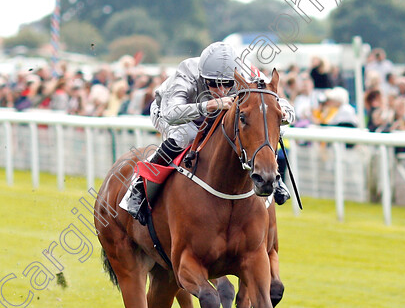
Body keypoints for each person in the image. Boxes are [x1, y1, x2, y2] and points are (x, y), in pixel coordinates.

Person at [120, 42, 297, 220]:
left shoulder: (247, 72)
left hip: (218, 113)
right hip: (168, 111)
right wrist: (209, 105)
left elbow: (282, 105)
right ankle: (138, 190)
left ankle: (275, 177)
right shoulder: (187, 71)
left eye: (228, 84)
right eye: (213, 84)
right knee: (185, 136)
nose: (221, 90)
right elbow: (170, 114)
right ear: (203, 77)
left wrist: (282, 115)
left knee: (262, 125)